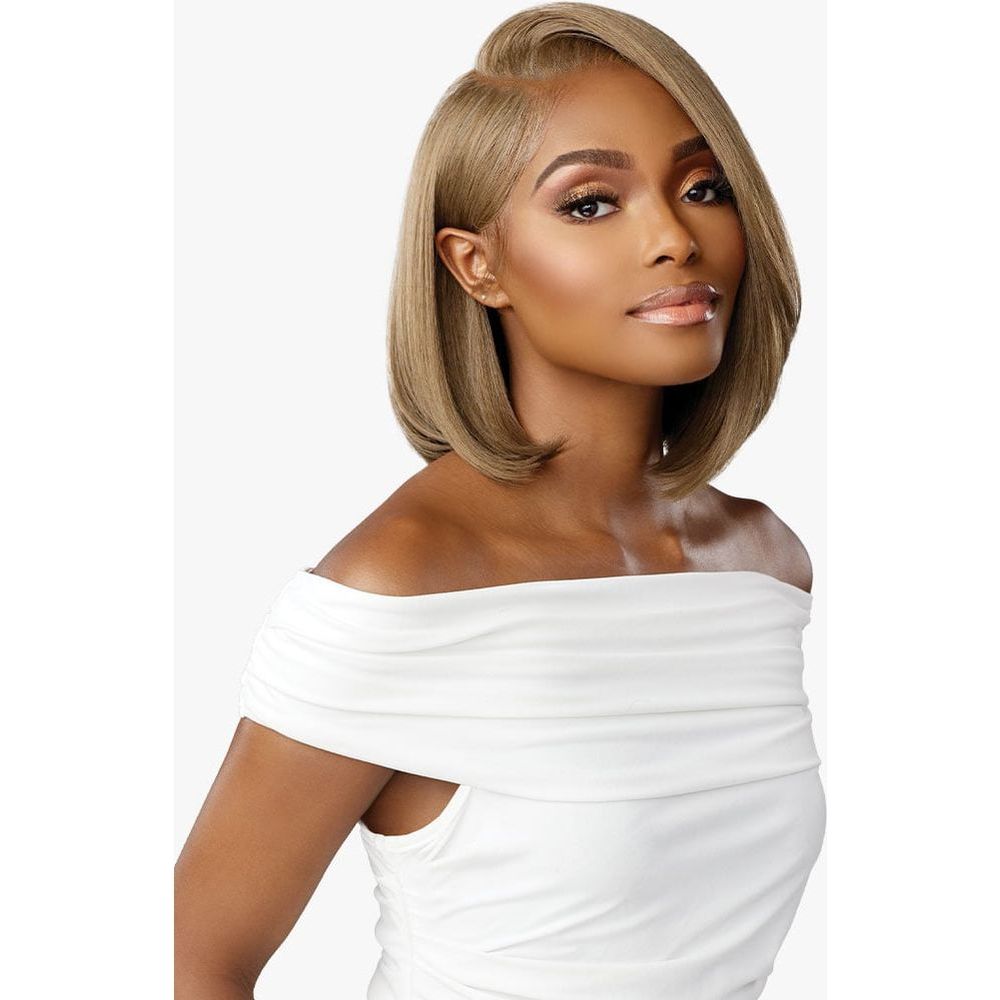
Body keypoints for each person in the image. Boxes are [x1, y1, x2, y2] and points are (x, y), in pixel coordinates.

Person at [175, 4, 825, 998]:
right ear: (476, 265)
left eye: (703, 188)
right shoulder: (402, 585)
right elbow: (191, 956)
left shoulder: (761, 562)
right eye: (591, 204)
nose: (674, 238)